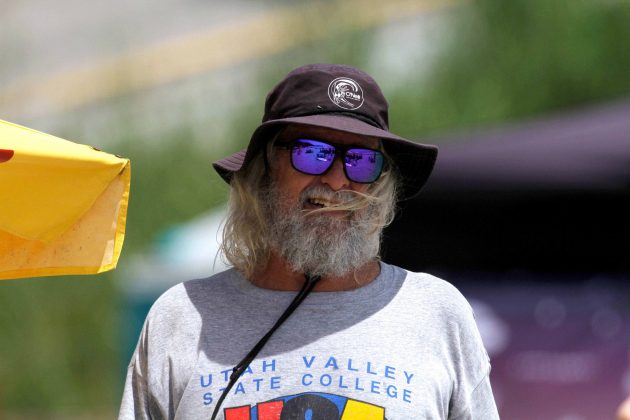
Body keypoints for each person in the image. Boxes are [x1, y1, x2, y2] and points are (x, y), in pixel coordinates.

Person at [119, 64, 499, 419]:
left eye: (361, 161)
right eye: (312, 154)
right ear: (263, 171)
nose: (337, 181)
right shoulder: (181, 318)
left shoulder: (437, 313)